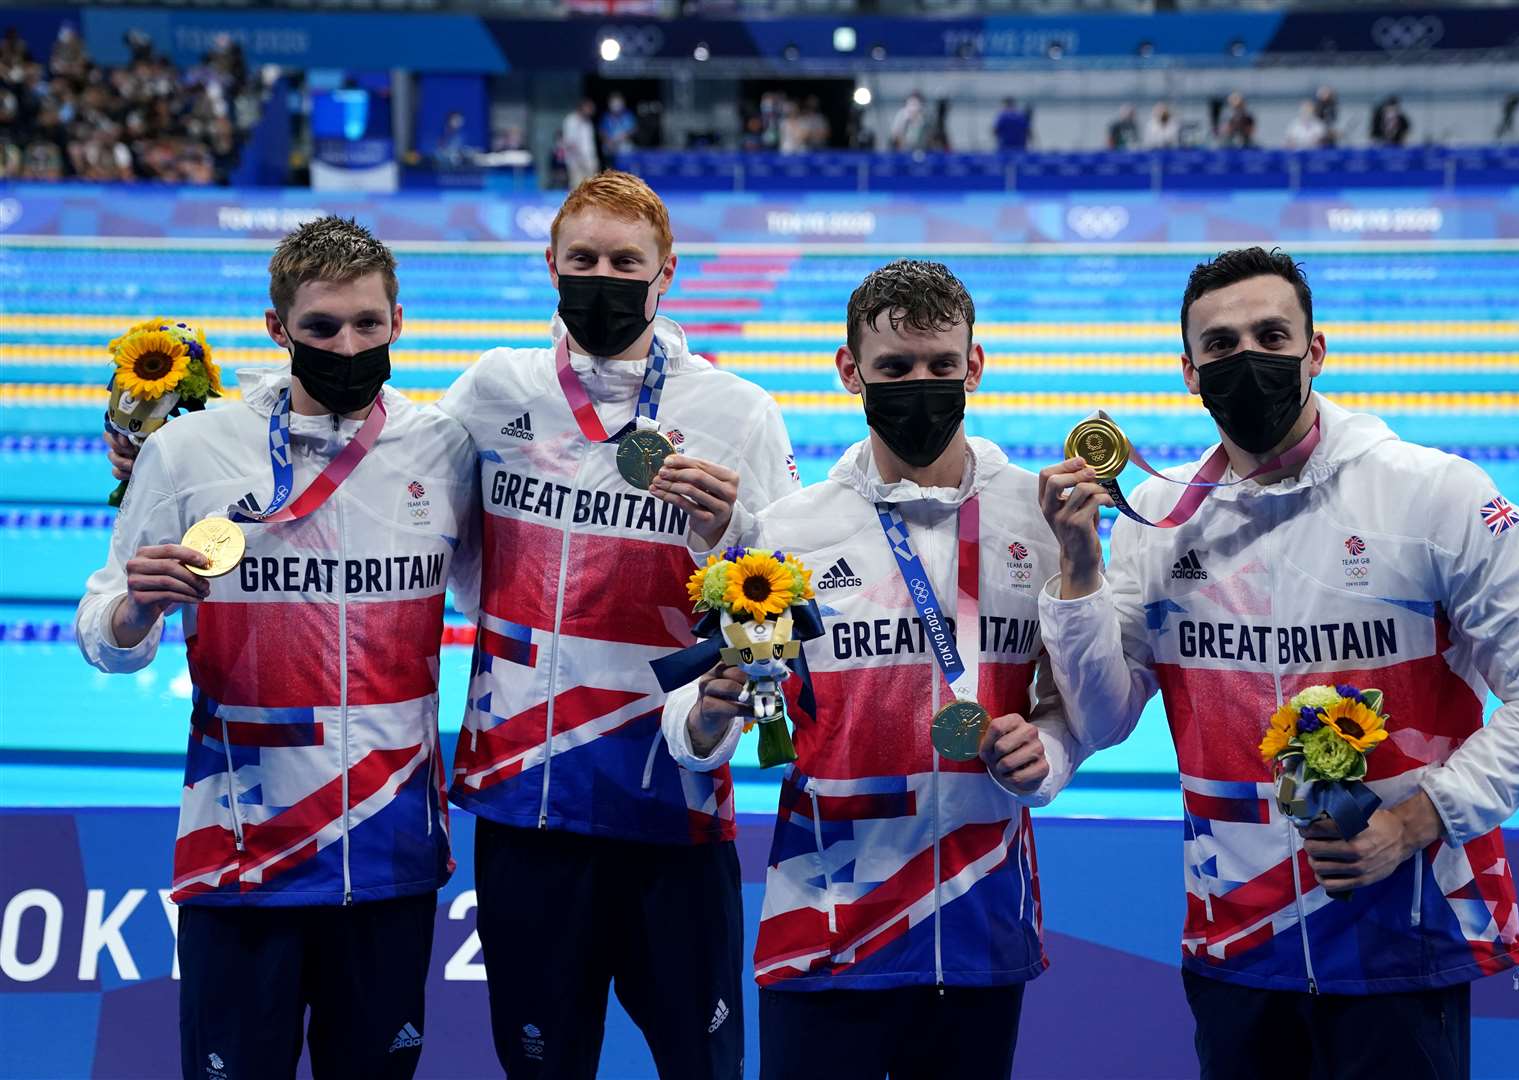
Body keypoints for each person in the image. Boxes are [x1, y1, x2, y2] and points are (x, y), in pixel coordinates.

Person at [1036, 246, 1519, 1080]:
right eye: (1221, 346)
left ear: (1316, 350)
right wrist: (1079, 567)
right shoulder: (1155, 519)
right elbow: (1106, 717)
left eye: (1271, 335)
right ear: (1189, 372)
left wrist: (1416, 821)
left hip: (1406, 932)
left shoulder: (1432, 495)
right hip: (1237, 937)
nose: (1248, 359)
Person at [78, 216, 480, 1080]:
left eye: (368, 325)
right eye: (323, 328)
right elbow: (106, 627)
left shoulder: (443, 451)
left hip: (389, 850)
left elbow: (498, 595)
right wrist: (133, 612)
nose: (348, 344)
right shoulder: (191, 452)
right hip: (241, 855)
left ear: (399, 322)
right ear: (277, 331)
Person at [665, 259, 1079, 1080]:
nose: (919, 385)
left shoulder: (1038, 519)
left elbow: (1075, 708)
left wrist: (1053, 751)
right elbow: (695, 720)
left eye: (939, 365)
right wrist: (709, 716)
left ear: (976, 365)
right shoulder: (790, 530)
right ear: (850, 371)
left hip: (979, 916)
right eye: (895, 368)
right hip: (821, 924)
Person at [436, 170, 800, 1078]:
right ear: (550, 266)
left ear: (666, 271)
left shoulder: (735, 412)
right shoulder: (493, 390)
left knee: (702, 1065)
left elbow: (790, 604)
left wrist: (731, 530)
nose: (603, 276)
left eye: (624, 261)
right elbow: (392, 495)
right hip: (528, 798)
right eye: (584, 259)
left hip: (670, 801)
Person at [561, 97, 599, 189]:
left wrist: (592, 159)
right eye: (589, 108)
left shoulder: (588, 122)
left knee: (591, 188)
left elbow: (589, 143)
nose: (591, 111)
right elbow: (569, 142)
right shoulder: (571, 121)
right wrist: (580, 159)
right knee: (577, 187)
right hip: (576, 160)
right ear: (582, 107)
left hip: (589, 159)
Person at [599, 92, 637, 163]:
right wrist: (608, 141)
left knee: (624, 169)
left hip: (624, 148)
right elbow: (601, 131)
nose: (616, 105)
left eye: (618, 103)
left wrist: (623, 136)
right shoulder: (606, 116)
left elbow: (633, 129)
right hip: (609, 149)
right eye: (613, 103)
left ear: (623, 103)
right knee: (610, 170)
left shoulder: (628, 115)